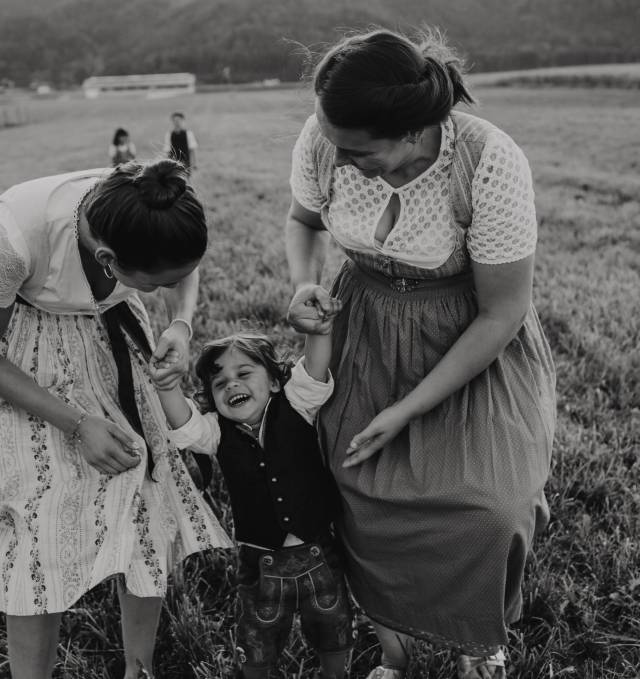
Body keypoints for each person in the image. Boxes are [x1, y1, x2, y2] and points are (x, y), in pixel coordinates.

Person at [285, 28, 556, 679]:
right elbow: (303, 220)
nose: (341, 160)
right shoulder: (328, 138)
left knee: (493, 505)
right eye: (335, 143)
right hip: (365, 328)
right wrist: (303, 281)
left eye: (360, 151)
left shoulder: (489, 160)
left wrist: (407, 409)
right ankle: (396, 652)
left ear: (411, 131)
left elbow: (502, 310)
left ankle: (477, 642)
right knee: (360, 492)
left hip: (469, 342)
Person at [0, 158, 232, 679]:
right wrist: (77, 423)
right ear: (107, 258)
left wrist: (179, 325)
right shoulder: (12, 239)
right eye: (154, 284)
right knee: (39, 523)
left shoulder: (152, 205)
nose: (158, 289)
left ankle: (138, 669)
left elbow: (183, 264)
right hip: (32, 365)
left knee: (145, 504)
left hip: (118, 342)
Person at [150, 325, 353, 679]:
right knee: (257, 639)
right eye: (220, 383)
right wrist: (167, 387)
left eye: (244, 373)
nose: (232, 384)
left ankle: (335, 674)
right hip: (260, 561)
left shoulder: (297, 406)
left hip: (319, 551)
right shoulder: (216, 433)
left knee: (332, 626)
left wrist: (319, 330)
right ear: (213, 402)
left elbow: (315, 369)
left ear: (274, 382)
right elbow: (184, 423)